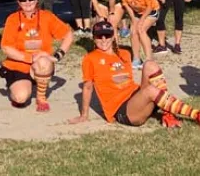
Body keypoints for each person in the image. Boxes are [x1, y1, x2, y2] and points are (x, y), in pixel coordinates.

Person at [69, 20, 200, 128]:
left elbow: (126, 79)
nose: (104, 39)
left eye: (107, 35)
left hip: (136, 97)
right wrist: (84, 115)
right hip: (123, 110)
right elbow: (87, 87)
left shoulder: (124, 53)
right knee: (150, 90)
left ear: (113, 36)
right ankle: (196, 115)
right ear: (94, 38)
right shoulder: (90, 58)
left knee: (150, 64)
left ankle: (167, 113)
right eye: (99, 36)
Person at [0, 0, 73, 112]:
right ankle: (14, 82)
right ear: (18, 1)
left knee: (44, 61)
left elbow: (68, 34)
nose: (28, 2)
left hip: (40, 64)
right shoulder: (12, 19)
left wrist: (57, 56)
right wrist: (29, 58)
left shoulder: (47, 16)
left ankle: (41, 97)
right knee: (20, 98)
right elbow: (6, 47)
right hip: (19, 65)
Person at [119, 0, 160, 70]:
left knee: (141, 29)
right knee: (133, 32)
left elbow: (150, 7)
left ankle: (149, 59)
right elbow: (126, 5)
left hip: (151, 11)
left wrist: (141, 21)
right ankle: (136, 59)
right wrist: (133, 19)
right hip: (136, 12)